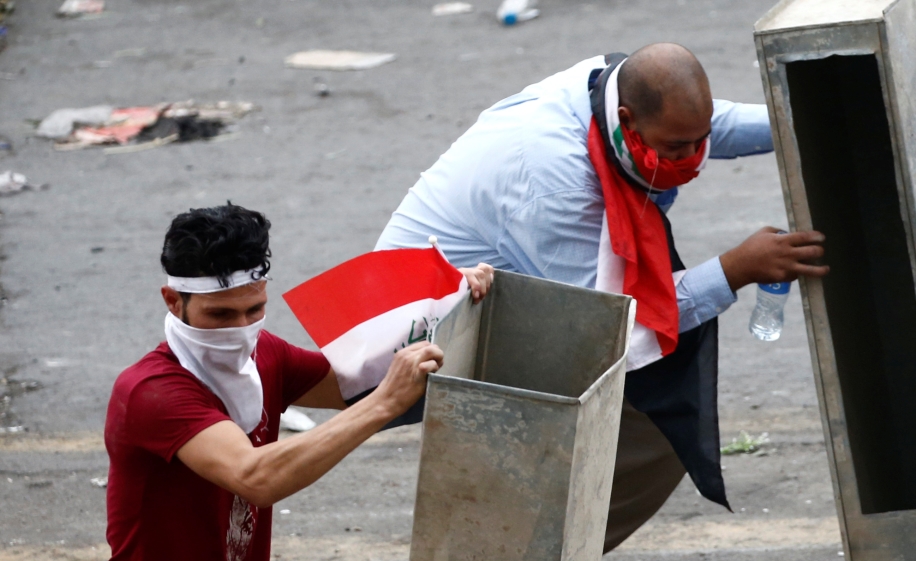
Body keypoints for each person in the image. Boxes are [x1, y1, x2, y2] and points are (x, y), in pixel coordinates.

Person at [376, 43, 829, 551]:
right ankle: (518, 548)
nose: (690, 159)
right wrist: (735, 269)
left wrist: (808, 118)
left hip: (504, 294)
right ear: (627, 120)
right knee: (649, 426)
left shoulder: (606, 89)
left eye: (696, 144)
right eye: (675, 149)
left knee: (651, 419)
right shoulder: (557, 186)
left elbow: (705, 127)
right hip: (427, 331)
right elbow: (614, 325)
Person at [104, 203, 493, 561]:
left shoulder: (265, 353)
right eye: (220, 315)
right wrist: (384, 403)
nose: (241, 329)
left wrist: (446, 306)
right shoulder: (151, 392)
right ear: (173, 301)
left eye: (254, 310)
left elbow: (356, 385)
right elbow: (255, 477)